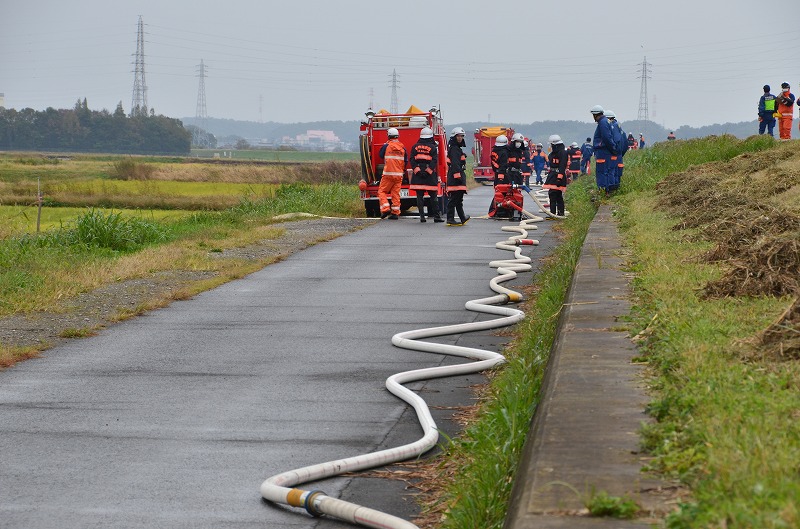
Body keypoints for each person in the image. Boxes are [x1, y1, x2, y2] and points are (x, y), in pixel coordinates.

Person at [409, 127, 443, 223]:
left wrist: (417, 171)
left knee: (419, 196)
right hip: (429, 175)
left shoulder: (415, 147)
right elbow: (434, 161)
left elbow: (412, 159)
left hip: (418, 174)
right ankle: (436, 217)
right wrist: (428, 171)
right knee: (433, 196)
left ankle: (422, 217)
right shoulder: (433, 148)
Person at [377, 127, 407, 219]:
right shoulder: (402, 147)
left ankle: (385, 209)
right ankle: (395, 212)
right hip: (399, 175)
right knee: (395, 193)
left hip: (388, 174)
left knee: (381, 191)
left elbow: (380, 155)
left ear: (389, 136)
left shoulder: (386, 146)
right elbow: (406, 160)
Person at [446, 126, 470, 226]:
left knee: (458, 199)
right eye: (458, 136)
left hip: (457, 177)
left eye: (461, 136)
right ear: (454, 137)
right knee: (454, 199)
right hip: (456, 178)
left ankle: (462, 217)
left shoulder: (456, 149)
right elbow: (455, 164)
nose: (460, 138)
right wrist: (458, 177)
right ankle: (450, 219)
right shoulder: (455, 149)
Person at [590, 105, 617, 195]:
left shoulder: (603, 123)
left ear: (595, 115)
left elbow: (606, 137)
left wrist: (612, 148)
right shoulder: (606, 122)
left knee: (602, 171)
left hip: (603, 152)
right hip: (606, 151)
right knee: (608, 171)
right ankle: (608, 190)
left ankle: (604, 190)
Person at [543, 134, 567, 216]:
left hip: (558, 176)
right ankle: (554, 213)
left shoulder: (563, 153)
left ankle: (558, 213)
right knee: (552, 194)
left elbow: (562, 166)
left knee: (557, 195)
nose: (551, 146)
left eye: (552, 145)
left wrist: (559, 178)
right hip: (552, 175)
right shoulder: (553, 153)